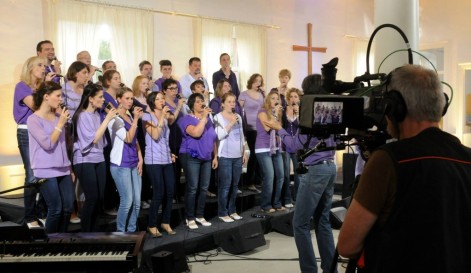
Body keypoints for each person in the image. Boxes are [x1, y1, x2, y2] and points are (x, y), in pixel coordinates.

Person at [338, 65, 471, 273]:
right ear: (441, 104)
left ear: (395, 107)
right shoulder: (467, 157)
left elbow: (347, 246)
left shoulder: (386, 161)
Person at [293, 75, 337, 273]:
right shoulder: (331, 109)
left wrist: (280, 130)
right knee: (323, 221)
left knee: (300, 224)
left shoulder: (310, 110)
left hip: (316, 169)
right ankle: (331, 268)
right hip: (330, 167)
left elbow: (296, 144)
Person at [13, 56, 56, 228]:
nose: (44, 68)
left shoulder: (41, 87)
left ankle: (42, 212)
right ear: (30, 68)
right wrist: (44, 87)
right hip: (27, 132)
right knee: (31, 174)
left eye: (45, 66)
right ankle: (30, 217)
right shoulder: (22, 87)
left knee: (44, 173)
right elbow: (37, 107)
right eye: (40, 65)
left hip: (43, 131)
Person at [27, 81, 75, 233]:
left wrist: (69, 167)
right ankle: (48, 243)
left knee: (68, 207)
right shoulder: (33, 119)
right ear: (46, 97)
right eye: (58, 96)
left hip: (63, 168)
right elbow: (47, 144)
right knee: (55, 209)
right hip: (45, 169)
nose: (61, 99)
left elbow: (63, 145)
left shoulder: (57, 116)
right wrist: (60, 124)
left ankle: (62, 239)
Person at [72, 83, 117, 232]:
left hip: (99, 158)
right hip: (85, 160)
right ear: (90, 99)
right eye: (100, 97)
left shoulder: (97, 115)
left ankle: (95, 231)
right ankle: (86, 232)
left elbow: (102, 140)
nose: (103, 100)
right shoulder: (82, 115)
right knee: (91, 198)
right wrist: (107, 119)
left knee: (99, 198)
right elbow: (94, 139)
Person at [178, 93, 217, 229]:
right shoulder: (186, 119)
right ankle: (190, 217)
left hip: (206, 156)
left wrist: (215, 155)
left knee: (204, 187)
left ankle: (200, 215)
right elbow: (196, 133)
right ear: (192, 105)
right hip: (191, 156)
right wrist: (204, 118)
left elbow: (213, 138)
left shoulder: (208, 120)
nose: (202, 103)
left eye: (203, 100)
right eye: (198, 101)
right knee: (193, 187)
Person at [107, 87, 144, 232]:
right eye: (127, 98)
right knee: (127, 200)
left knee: (137, 202)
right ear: (119, 99)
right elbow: (128, 138)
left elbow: (135, 140)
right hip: (120, 164)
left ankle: (132, 230)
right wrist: (135, 119)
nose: (130, 101)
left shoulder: (129, 116)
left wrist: (140, 158)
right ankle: (121, 232)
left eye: (131, 98)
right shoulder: (115, 119)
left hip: (134, 163)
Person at [143, 92, 177, 237]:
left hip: (166, 159)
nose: (162, 100)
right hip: (153, 160)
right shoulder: (146, 117)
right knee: (158, 193)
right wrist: (162, 116)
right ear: (152, 102)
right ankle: (152, 224)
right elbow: (155, 135)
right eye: (158, 99)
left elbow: (164, 139)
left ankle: (166, 221)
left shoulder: (166, 116)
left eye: (162, 98)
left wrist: (170, 153)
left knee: (170, 192)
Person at [214, 92, 246, 222]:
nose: (232, 104)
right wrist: (230, 123)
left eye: (233, 101)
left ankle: (232, 210)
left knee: (235, 185)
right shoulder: (217, 117)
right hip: (225, 156)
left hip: (237, 155)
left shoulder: (238, 116)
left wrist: (244, 152)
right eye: (229, 101)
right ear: (222, 104)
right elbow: (218, 136)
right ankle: (223, 212)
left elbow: (242, 136)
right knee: (225, 185)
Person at [255, 90, 285, 213]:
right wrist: (276, 115)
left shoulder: (277, 113)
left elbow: (279, 128)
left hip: (276, 147)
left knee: (281, 176)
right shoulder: (262, 112)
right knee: (269, 176)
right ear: (268, 100)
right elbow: (268, 127)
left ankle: (276, 203)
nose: (276, 101)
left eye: (277, 98)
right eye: (272, 98)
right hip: (263, 148)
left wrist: (277, 115)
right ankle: (265, 205)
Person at [238, 73, 265, 192]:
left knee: (260, 153)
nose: (258, 83)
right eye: (255, 81)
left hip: (261, 127)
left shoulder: (261, 95)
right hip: (250, 128)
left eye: (260, 81)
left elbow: (266, 108)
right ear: (251, 81)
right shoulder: (244, 94)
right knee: (254, 153)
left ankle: (258, 180)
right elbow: (238, 109)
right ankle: (249, 181)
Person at [162, 78, 186, 203]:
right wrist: (178, 107)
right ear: (164, 91)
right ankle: (171, 195)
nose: (174, 91)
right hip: (170, 139)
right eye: (171, 89)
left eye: (175, 88)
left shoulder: (178, 102)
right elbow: (170, 120)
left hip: (181, 138)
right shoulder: (163, 104)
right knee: (172, 169)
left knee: (180, 169)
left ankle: (178, 193)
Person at [279, 87, 302, 204]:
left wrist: (298, 114)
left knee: (298, 174)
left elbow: (301, 126)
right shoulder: (283, 110)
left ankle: (297, 198)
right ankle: (287, 199)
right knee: (286, 174)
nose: (293, 99)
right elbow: (281, 126)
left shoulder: (302, 111)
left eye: (295, 96)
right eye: (291, 96)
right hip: (286, 145)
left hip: (298, 146)